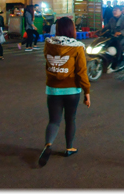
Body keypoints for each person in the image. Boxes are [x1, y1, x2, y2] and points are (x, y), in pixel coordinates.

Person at [38, 17, 91, 167]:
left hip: (53, 89)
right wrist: (87, 91)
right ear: (71, 29)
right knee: (70, 119)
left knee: (54, 120)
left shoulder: (48, 44)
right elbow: (81, 71)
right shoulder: (77, 47)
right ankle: (69, 148)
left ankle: (48, 144)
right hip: (72, 89)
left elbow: (48, 63)